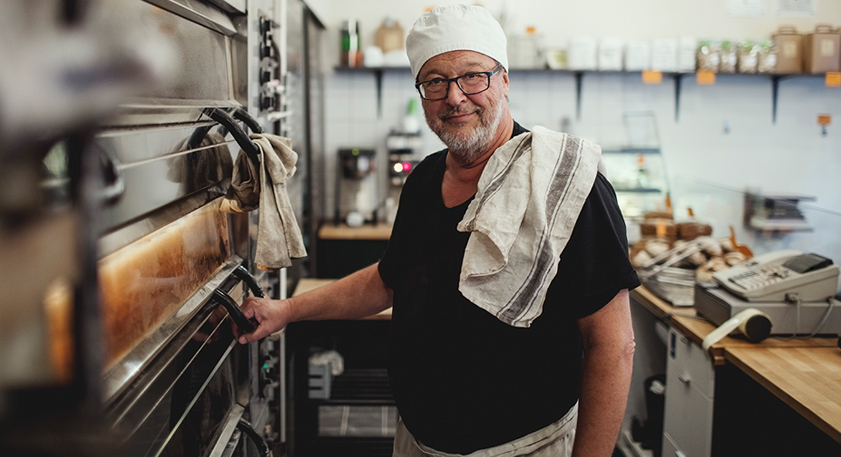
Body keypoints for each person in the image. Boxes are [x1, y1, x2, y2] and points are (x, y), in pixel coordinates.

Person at [236, 5, 640, 457]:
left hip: (524, 447)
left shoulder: (562, 186)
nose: (454, 97)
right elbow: (391, 279)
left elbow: (612, 345)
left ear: (504, 81)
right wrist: (287, 310)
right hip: (417, 443)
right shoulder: (425, 179)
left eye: (473, 76)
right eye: (435, 81)